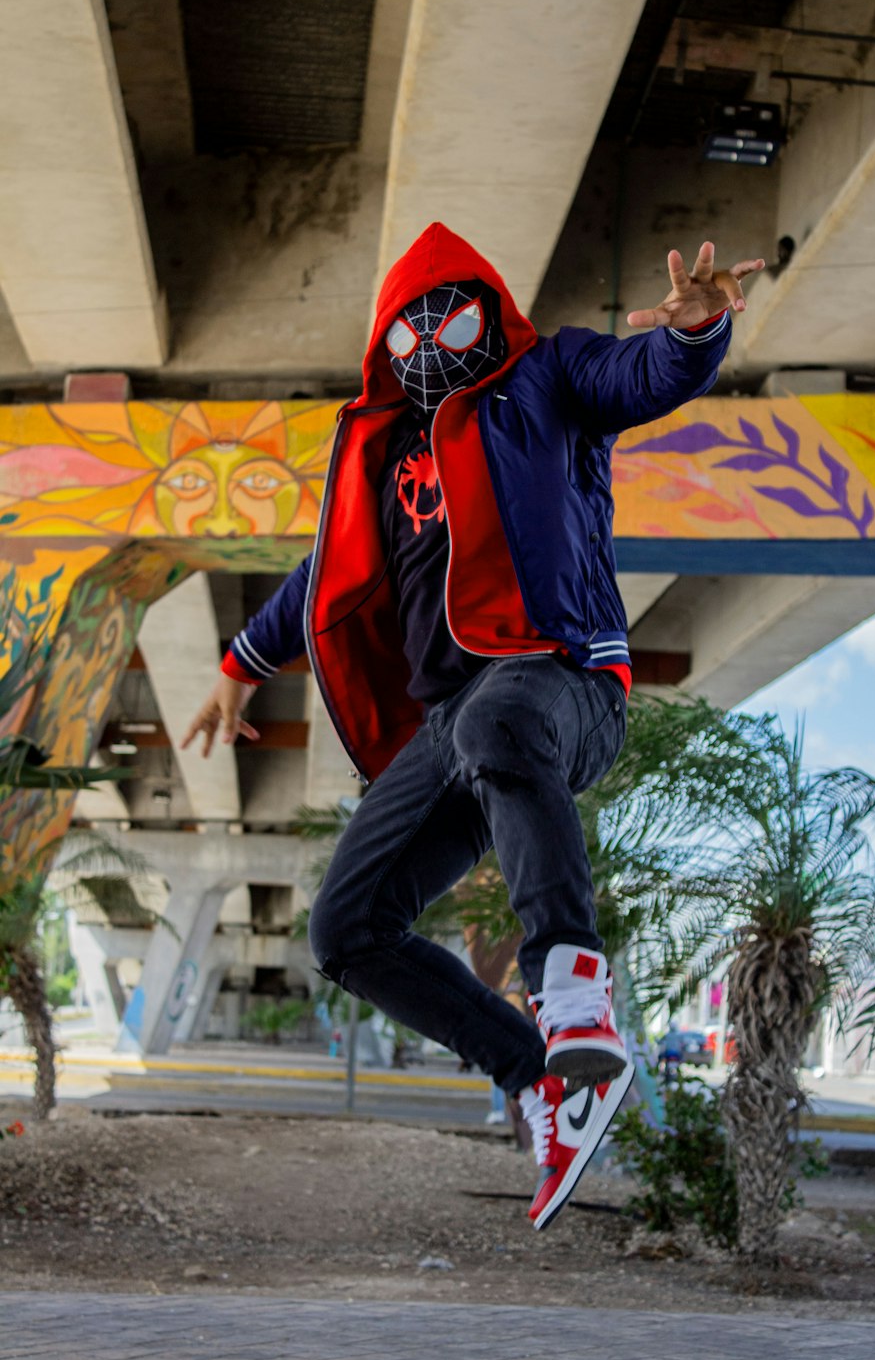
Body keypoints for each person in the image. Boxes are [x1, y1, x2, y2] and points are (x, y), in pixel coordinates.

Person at [182, 223, 764, 1231]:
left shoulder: (547, 381)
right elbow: (323, 580)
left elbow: (640, 378)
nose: (429, 345)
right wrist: (240, 665)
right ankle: (537, 1078)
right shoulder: (380, 454)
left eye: (449, 319)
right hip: (452, 724)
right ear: (383, 352)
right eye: (406, 335)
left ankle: (572, 983)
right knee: (347, 929)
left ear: (489, 315)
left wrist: (694, 334)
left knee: (499, 719)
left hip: (562, 680)